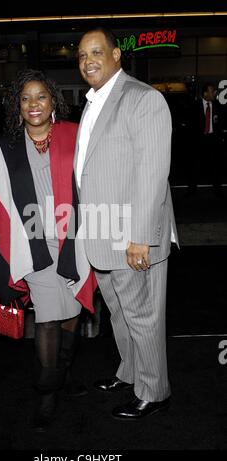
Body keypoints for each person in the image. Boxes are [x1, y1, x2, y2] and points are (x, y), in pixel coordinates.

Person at [0, 69, 96, 432]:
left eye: (41, 96)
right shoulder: (4, 145)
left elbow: (97, 177)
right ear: (17, 105)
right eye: (25, 98)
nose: (33, 104)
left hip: (76, 239)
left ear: (53, 101)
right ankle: (47, 392)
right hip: (33, 244)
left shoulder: (74, 136)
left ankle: (63, 373)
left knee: (74, 309)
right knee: (47, 319)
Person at [75, 27, 179, 420]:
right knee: (119, 312)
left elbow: (152, 173)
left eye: (97, 52)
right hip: (102, 234)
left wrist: (141, 238)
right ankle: (131, 371)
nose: (88, 61)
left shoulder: (142, 98)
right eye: (83, 55)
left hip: (132, 237)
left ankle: (155, 391)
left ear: (117, 55)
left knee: (142, 314)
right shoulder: (92, 103)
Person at [188, 82, 224, 196]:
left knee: (215, 166)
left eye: (214, 91)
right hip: (199, 141)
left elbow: (221, 123)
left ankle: (217, 191)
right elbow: (191, 125)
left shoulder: (218, 105)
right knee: (195, 166)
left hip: (213, 140)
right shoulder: (195, 106)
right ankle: (191, 191)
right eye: (212, 91)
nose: (215, 93)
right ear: (205, 93)